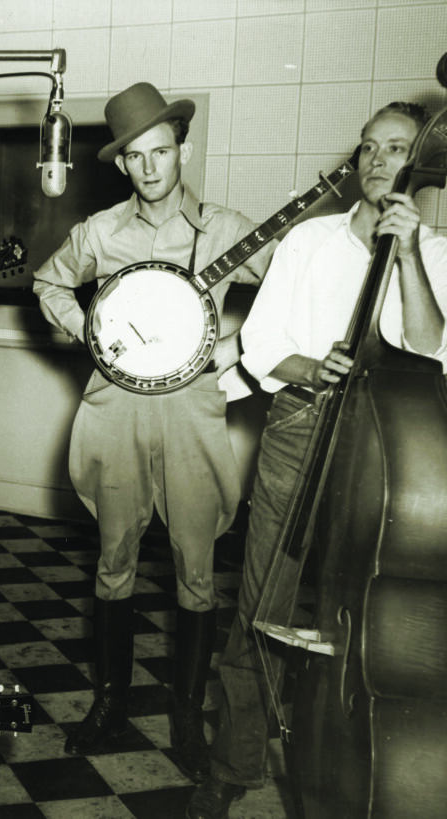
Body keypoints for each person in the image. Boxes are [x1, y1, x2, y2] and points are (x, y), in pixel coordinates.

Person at [187, 101, 447, 818]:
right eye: (366, 147)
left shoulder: (443, 250)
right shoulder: (309, 240)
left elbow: (433, 349)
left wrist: (413, 252)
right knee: (261, 602)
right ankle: (233, 763)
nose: (375, 161)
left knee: (370, 606)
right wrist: (313, 366)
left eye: (394, 148)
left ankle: (348, 756)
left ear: (421, 162)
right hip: (301, 424)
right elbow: (265, 343)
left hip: (391, 447)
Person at [32, 82, 274, 779]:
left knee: (198, 572)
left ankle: (188, 718)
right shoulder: (101, 232)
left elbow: (296, 288)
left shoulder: (224, 228)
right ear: (120, 164)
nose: (149, 167)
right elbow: (50, 284)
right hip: (115, 410)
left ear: (183, 150)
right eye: (135, 157)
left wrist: (242, 350)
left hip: (193, 414)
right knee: (114, 562)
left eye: (160, 152)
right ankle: (109, 705)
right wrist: (91, 330)